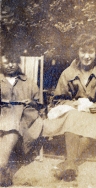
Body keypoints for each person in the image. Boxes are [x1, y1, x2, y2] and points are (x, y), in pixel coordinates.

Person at [43, 34, 96, 182]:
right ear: (77, 52)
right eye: (83, 51)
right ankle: (71, 164)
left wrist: (93, 106)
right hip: (74, 114)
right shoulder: (68, 73)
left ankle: (69, 163)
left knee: (91, 121)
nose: (87, 56)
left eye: (91, 52)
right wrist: (73, 104)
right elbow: (58, 100)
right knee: (73, 117)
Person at [0, 52, 43, 187]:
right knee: (9, 120)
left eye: (13, 61)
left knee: (13, 121)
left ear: (18, 62)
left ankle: (1, 166)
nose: (11, 65)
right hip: (3, 115)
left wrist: (30, 101)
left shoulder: (28, 82)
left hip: (24, 118)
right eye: (7, 62)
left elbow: (40, 104)